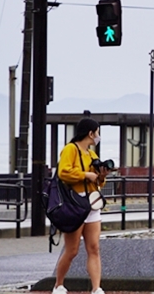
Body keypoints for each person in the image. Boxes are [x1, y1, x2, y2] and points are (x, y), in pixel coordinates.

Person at [52, 117, 107, 294]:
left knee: (94, 248)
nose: (98, 136)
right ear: (90, 133)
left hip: (91, 203)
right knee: (72, 249)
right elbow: (64, 172)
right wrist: (86, 175)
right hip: (74, 203)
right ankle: (58, 284)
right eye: (97, 132)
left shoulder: (92, 154)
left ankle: (96, 288)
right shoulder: (71, 149)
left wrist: (101, 176)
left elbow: (98, 184)